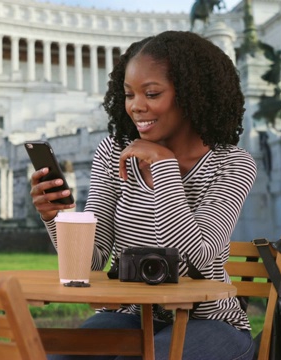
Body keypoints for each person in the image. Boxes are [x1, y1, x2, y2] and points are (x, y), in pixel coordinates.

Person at [30, 31, 257, 360]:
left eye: (151, 93)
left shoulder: (232, 164)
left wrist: (164, 167)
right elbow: (91, 263)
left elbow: (199, 256)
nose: (136, 106)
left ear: (192, 94)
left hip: (210, 322)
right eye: (128, 94)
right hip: (131, 315)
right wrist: (57, 216)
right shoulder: (112, 153)